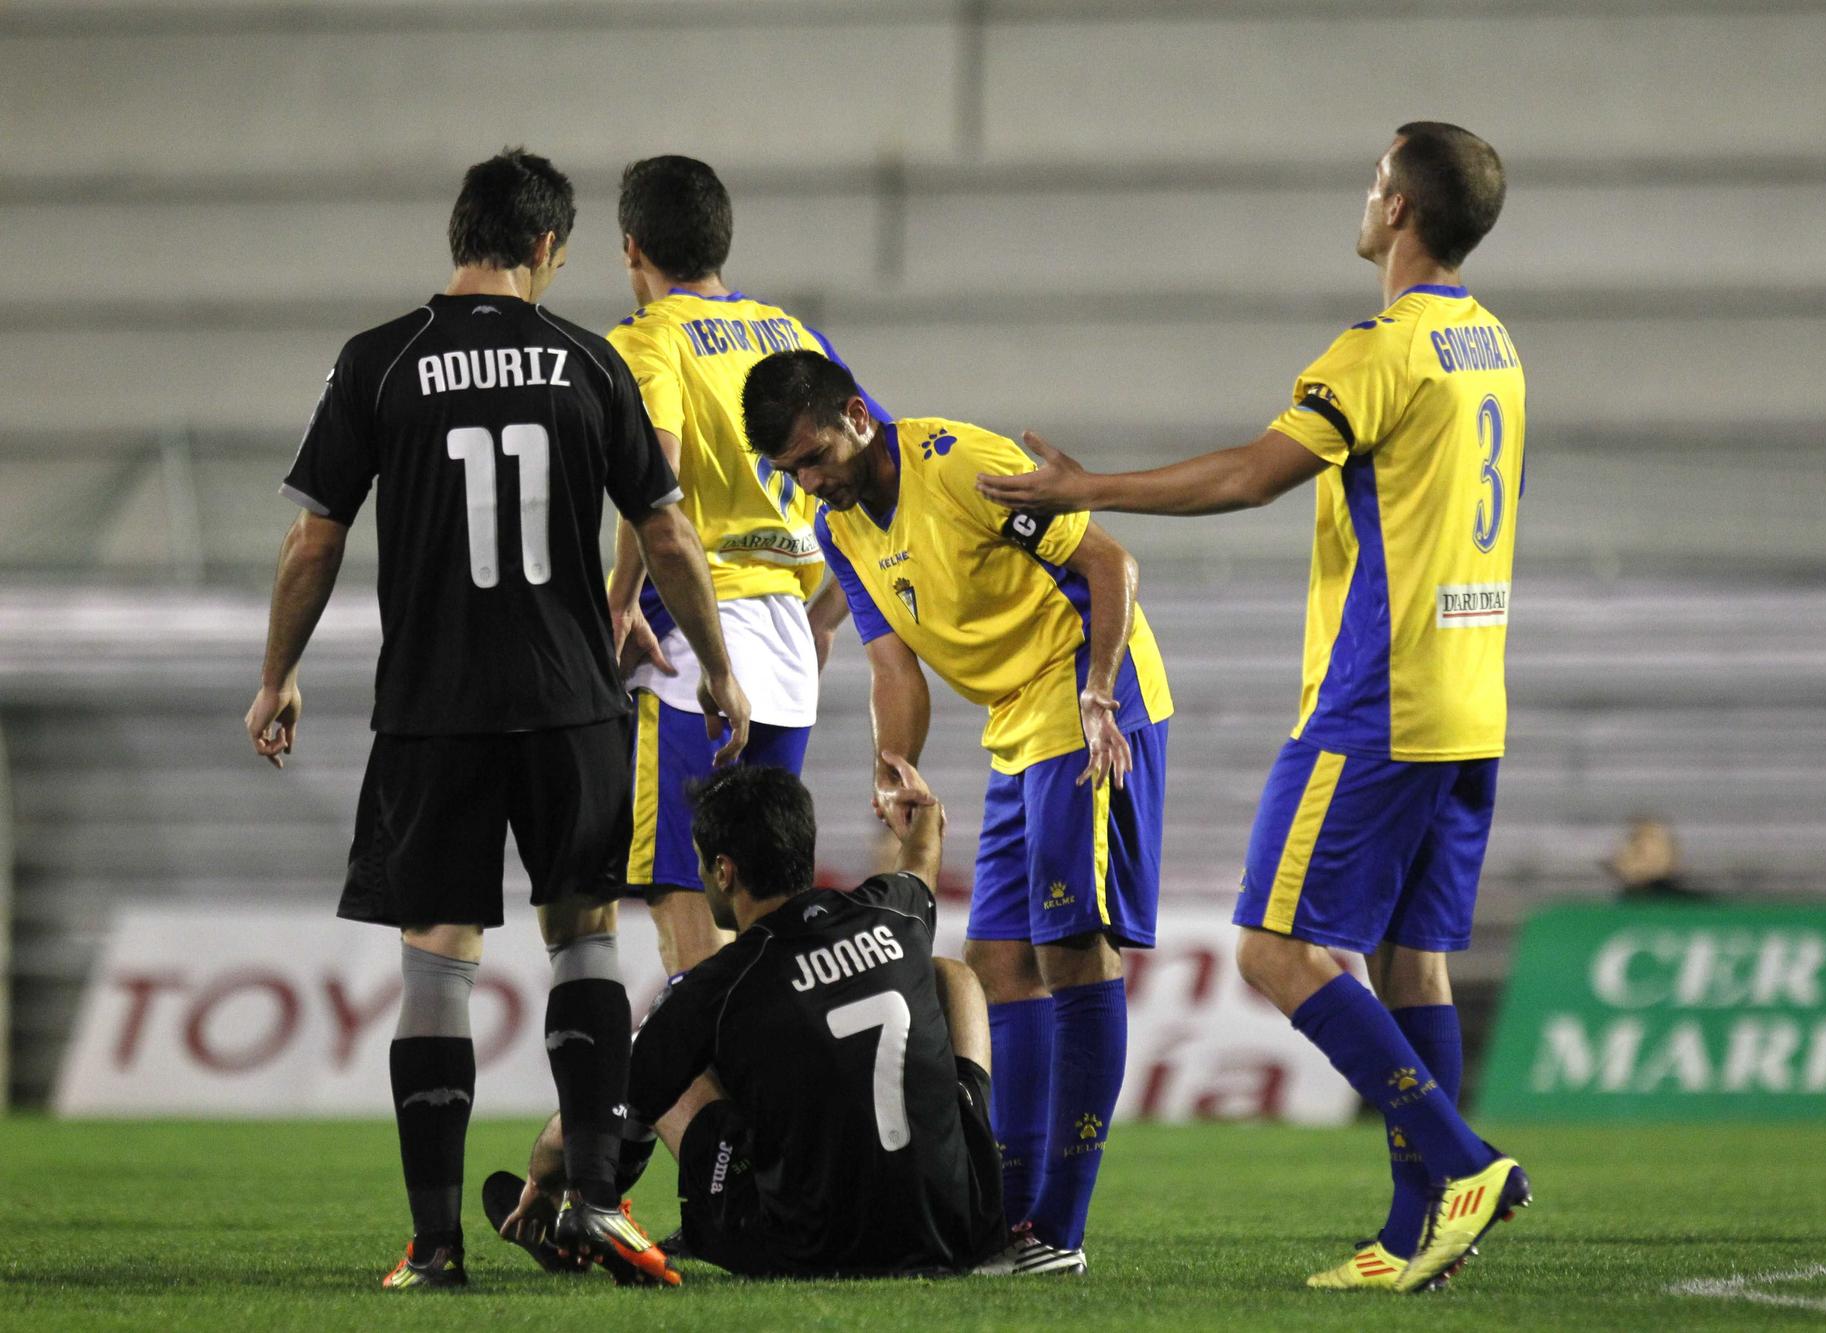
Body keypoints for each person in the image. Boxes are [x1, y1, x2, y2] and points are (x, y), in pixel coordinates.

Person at [974, 123, 1531, 1293]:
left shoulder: (1379, 351)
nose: (1364, 195)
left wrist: (1086, 487)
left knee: (1275, 951)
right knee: (1411, 962)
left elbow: (1248, 476)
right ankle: (1413, 1230)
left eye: (1375, 181)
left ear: (1400, 213)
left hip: (1377, 700)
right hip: (1470, 698)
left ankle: (1460, 1163)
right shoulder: (1493, 348)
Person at [242, 148, 750, 1291]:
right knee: (582, 938)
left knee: (437, 962)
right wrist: (714, 667)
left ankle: (433, 1247)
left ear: (461, 235)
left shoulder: (380, 360)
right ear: (546, 248)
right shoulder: (588, 360)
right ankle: (594, 1203)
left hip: (432, 710)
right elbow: (666, 533)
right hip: (572, 703)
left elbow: (313, 537)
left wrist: (276, 673)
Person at [739, 351, 1176, 1275]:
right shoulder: (842, 522)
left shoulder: (962, 468)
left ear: (858, 414)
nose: (810, 481)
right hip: (1015, 724)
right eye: (792, 472)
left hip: (1082, 699)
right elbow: (893, 664)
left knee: (1070, 952)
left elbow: (1110, 561)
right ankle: (1007, 1216)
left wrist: (1100, 691)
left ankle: (1057, 1225)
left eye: (814, 455)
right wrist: (895, 767)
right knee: (993, 965)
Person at [491, 759, 1009, 1278]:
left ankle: (595, 1202)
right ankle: (988, 1151)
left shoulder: (721, 984)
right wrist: (926, 813)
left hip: (811, 1249)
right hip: (959, 1226)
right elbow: (921, 858)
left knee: (665, 1051)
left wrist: (541, 1178)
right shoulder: (893, 911)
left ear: (724, 870)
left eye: (700, 863)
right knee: (951, 976)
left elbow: (603, 1104)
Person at [602, 155, 874, 977]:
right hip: (789, 653)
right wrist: (824, 616)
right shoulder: (795, 335)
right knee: (763, 918)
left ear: (631, 247)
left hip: (692, 646)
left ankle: (714, 1109)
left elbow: (656, 494)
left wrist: (619, 598)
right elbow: (868, 470)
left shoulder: (648, 343)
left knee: (689, 916)